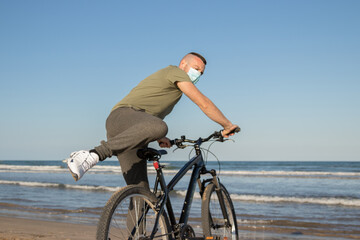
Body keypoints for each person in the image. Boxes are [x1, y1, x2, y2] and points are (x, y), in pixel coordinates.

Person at [66, 52, 239, 190]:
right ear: (183, 64)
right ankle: (93, 154)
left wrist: (157, 137)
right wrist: (227, 125)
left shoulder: (173, 90)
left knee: (139, 192)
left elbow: (148, 114)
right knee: (160, 126)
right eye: (196, 68)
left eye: (201, 73)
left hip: (129, 129)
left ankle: (136, 233)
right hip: (123, 117)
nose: (198, 74)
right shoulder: (175, 72)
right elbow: (203, 103)